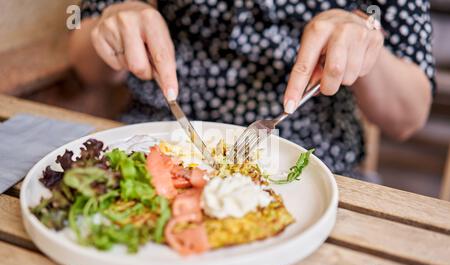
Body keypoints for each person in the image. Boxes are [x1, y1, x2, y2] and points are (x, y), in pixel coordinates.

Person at [70, 0, 435, 176]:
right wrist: (114, 26)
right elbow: (87, 67)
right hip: (153, 145)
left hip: (319, 164)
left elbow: (406, 118)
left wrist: (365, 44)